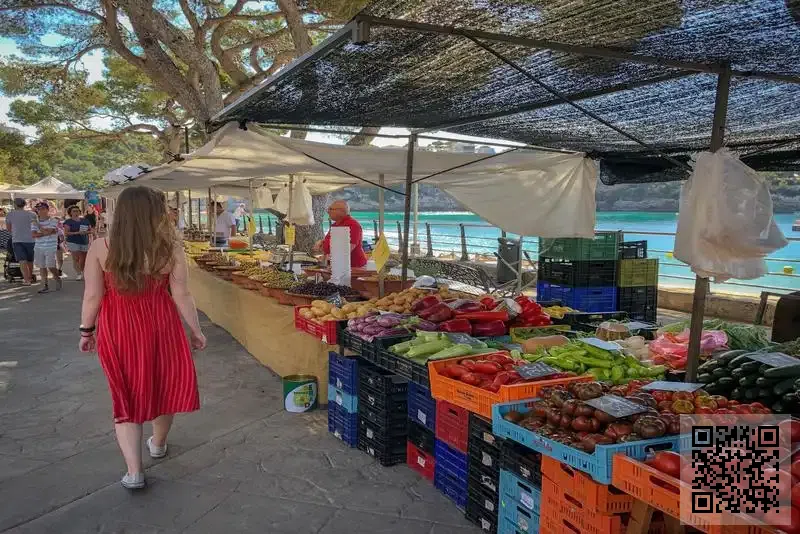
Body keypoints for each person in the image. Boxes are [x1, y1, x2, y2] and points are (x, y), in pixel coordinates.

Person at [79, 185, 205, 490]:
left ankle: (134, 472)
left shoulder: (100, 248)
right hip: (162, 324)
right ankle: (158, 444)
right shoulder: (170, 249)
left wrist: (86, 330)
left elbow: (93, 296)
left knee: (126, 394)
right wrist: (196, 330)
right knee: (164, 386)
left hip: (119, 327)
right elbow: (182, 294)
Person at [314, 200, 368, 268]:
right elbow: (330, 243)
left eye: (331, 209)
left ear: (341, 211)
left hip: (353, 267)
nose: (328, 211)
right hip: (337, 266)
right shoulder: (335, 225)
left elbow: (347, 248)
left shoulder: (353, 225)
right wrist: (322, 242)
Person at [31, 201, 61, 293]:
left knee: (50, 265)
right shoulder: (33, 222)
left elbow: (47, 231)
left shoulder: (54, 220)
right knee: (42, 266)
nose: (41, 211)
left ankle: (57, 277)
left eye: (43, 209)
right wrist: (46, 232)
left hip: (51, 246)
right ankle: (45, 284)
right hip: (39, 246)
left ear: (48, 210)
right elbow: (34, 235)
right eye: (39, 209)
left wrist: (38, 226)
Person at [5, 198, 36, 285]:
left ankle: (27, 280)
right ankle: (30, 277)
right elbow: (35, 227)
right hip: (31, 240)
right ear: (24, 204)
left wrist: (16, 232)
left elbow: (8, 229)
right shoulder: (32, 214)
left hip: (17, 240)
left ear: (15, 204)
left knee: (22, 260)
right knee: (30, 260)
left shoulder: (10, 214)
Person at [63, 205, 91, 280]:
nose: (76, 212)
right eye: (74, 211)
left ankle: (82, 271)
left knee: (83, 258)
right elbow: (66, 233)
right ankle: (79, 273)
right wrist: (77, 232)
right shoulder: (68, 221)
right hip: (73, 241)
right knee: (76, 258)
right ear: (70, 213)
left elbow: (91, 230)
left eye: (77, 211)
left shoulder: (85, 220)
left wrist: (86, 232)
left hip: (84, 241)